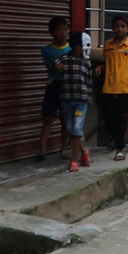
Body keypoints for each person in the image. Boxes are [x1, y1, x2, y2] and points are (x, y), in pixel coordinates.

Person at [97, 16, 128, 161]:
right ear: (112, 28)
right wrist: (100, 67)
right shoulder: (107, 44)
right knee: (109, 117)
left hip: (124, 87)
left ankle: (119, 149)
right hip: (108, 87)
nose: (119, 29)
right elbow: (108, 63)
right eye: (116, 26)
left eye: (122, 26)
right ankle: (113, 138)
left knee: (120, 119)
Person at [57, 30, 93, 172]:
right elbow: (55, 65)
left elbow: (89, 82)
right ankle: (84, 151)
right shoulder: (64, 59)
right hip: (66, 100)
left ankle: (73, 161)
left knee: (77, 128)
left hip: (81, 102)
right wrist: (57, 67)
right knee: (70, 128)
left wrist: (88, 97)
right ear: (76, 46)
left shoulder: (87, 63)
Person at [38, 16, 71, 160]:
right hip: (52, 85)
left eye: (65, 29)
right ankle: (42, 150)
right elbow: (50, 69)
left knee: (65, 119)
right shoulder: (46, 50)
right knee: (48, 118)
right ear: (51, 33)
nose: (63, 33)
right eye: (59, 30)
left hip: (67, 86)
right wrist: (55, 68)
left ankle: (63, 149)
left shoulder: (71, 49)